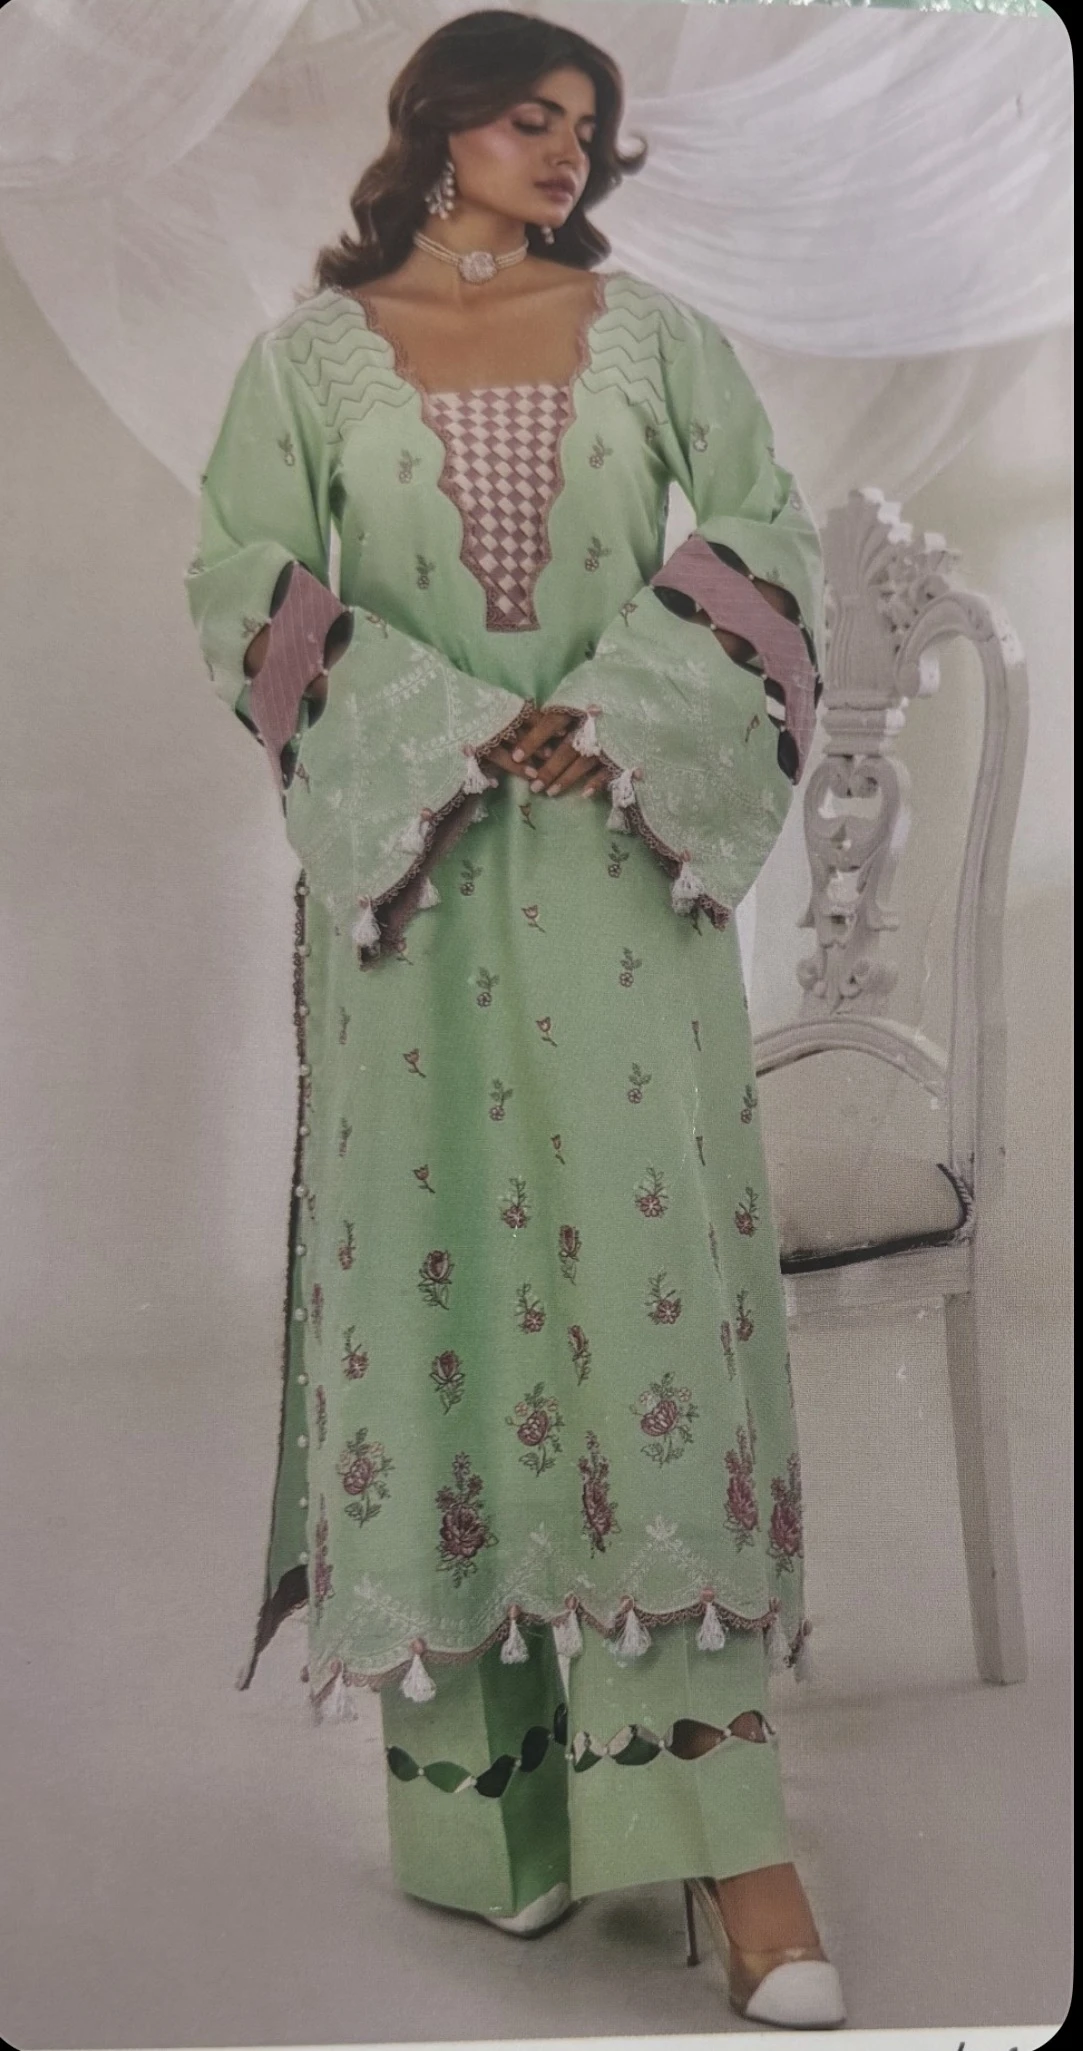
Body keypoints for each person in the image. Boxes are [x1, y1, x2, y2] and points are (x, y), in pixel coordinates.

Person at [185, 8, 843, 2030]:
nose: (566, 148)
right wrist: (442, 721)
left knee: (648, 1298)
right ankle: (500, 1821)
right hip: (412, 891)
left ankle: (727, 1838)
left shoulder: (658, 344)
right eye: (531, 113)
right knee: (443, 1286)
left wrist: (622, 706)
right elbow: (237, 581)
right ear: (441, 122)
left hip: (621, 879)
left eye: (588, 125)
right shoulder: (306, 362)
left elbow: (767, 537)